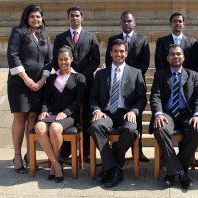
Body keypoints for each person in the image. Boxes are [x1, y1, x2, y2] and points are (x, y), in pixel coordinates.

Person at [88, 39, 147, 188]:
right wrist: (97, 110)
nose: (118, 54)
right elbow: (93, 97)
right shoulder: (101, 74)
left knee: (130, 129)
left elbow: (142, 98)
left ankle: (110, 165)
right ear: (110, 53)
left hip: (125, 112)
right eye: (115, 51)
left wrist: (134, 111)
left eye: (122, 51)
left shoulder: (136, 73)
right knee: (95, 126)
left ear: (126, 53)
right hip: (106, 112)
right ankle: (115, 168)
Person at [149, 44, 198, 189]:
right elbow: (155, 96)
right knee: (160, 129)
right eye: (172, 54)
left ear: (183, 57)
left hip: (187, 113)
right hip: (167, 113)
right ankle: (181, 173)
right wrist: (158, 113)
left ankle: (172, 172)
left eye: (178, 54)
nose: (176, 57)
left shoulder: (193, 74)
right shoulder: (160, 74)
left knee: (196, 129)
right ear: (167, 58)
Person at [7, 4, 52, 173]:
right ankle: (17, 156)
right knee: (20, 117)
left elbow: (49, 60)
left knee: (33, 116)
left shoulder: (44, 35)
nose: (35, 19)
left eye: (38, 17)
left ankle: (30, 155)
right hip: (19, 83)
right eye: (32, 16)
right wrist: (26, 79)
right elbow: (13, 55)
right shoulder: (18, 32)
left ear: (42, 19)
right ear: (27, 17)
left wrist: (42, 80)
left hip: (38, 83)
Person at [53, 5, 100, 163]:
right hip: (65, 85)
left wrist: (80, 75)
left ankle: (85, 150)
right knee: (67, 113)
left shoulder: (90, 36)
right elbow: (56, 60)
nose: (74, 18)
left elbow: (96, 61)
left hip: (86, 82)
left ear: (82, 18)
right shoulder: (61, 37)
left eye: (77, 15)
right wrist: (69, 75)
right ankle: (65, 150)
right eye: (72, 15)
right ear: (68, 18)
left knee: (87, 115)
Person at [34, 46, 85, 183]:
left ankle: (54, 165)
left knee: (55, 128)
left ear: (71, 59)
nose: (63, 62)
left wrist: (66, 112)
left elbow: (78, 100)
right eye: (60, 59)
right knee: (39, 127)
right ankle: (56, 163)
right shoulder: (51, 78)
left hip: (70, 114)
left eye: (66, 59)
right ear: (57, 60)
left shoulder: (79, 77)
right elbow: (45, 98)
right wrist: (44, 110)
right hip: (52, 112)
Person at [105, 11, 150, 162]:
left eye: (129, 21)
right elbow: (107, 61)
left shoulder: (142, 40)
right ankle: (118, 152)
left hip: (135, 83)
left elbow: (145, 61)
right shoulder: (113, 40)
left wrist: (132, 75)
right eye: (124, 21)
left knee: (135, 119)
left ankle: (139, 150)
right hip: (116, 81)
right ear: (121, 22)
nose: (127, 23)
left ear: (134, 23)